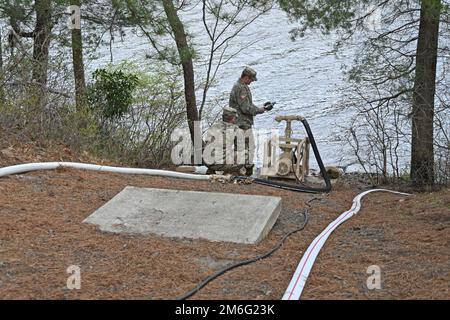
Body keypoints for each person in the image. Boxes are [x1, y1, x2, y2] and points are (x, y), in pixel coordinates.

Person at [229, 66, 274, 176]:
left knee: (242, 146)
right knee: (247, 147)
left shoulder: (241, 86)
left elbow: (248, 105)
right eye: (251, 80)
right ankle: (244, 170)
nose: (252, 82)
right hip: (242, 123)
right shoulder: (241, 88)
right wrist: (260, 110)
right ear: (246, 77)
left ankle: (241, 169)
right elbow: (245, 108)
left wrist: (260, 107)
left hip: (240, 122)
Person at [205, 107, 246, 176]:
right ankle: (229, 172)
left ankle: (211, 170)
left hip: (207, 163)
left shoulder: (214, 126)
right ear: (233, 118)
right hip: (221, 164)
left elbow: (207, 143)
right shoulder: (236, 130)